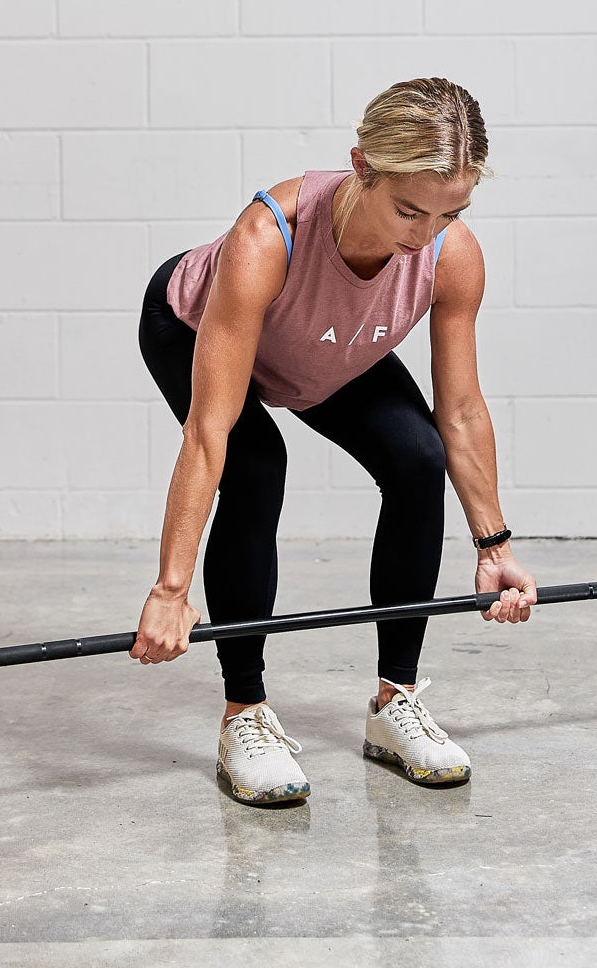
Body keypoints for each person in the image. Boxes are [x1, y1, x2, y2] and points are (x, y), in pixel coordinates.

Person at [133, 77, 537, 807]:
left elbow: (464, 409)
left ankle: (396, 703)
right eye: (408, 208)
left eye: (452, 211)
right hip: (194, 327)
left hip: (319, 344)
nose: (425, 233)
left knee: (418, 459)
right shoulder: (267, 237)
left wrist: (495, 546)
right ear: (361, 167)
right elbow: (208, 431)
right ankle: (243, 713)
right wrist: (170, 590)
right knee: (257, 464)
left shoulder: (452, 253)